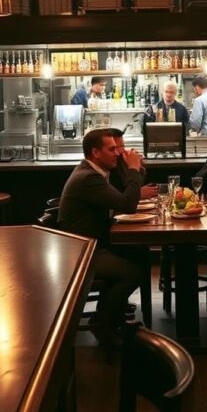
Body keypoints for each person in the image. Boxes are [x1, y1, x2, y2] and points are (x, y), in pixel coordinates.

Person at [58, 129, 147, 347]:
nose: (117, 153)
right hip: (81, 254)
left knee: (141, 255)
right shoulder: (89, 178)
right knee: (137, 270)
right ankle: (104, 325)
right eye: (112, 149)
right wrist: (133, 168)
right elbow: (127, 204)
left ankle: (111, 319)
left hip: (90, 246)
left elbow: (122, 198)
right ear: (95, 152)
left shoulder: (95, 172)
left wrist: (133, 170)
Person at [108, 128, 158, 200]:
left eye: (122, 146)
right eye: (114, 148)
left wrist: (139, 168)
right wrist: (137, 193)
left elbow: (135, 185)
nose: (122, 151)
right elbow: (117, 198)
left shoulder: (120, 161)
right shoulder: (104, 171)